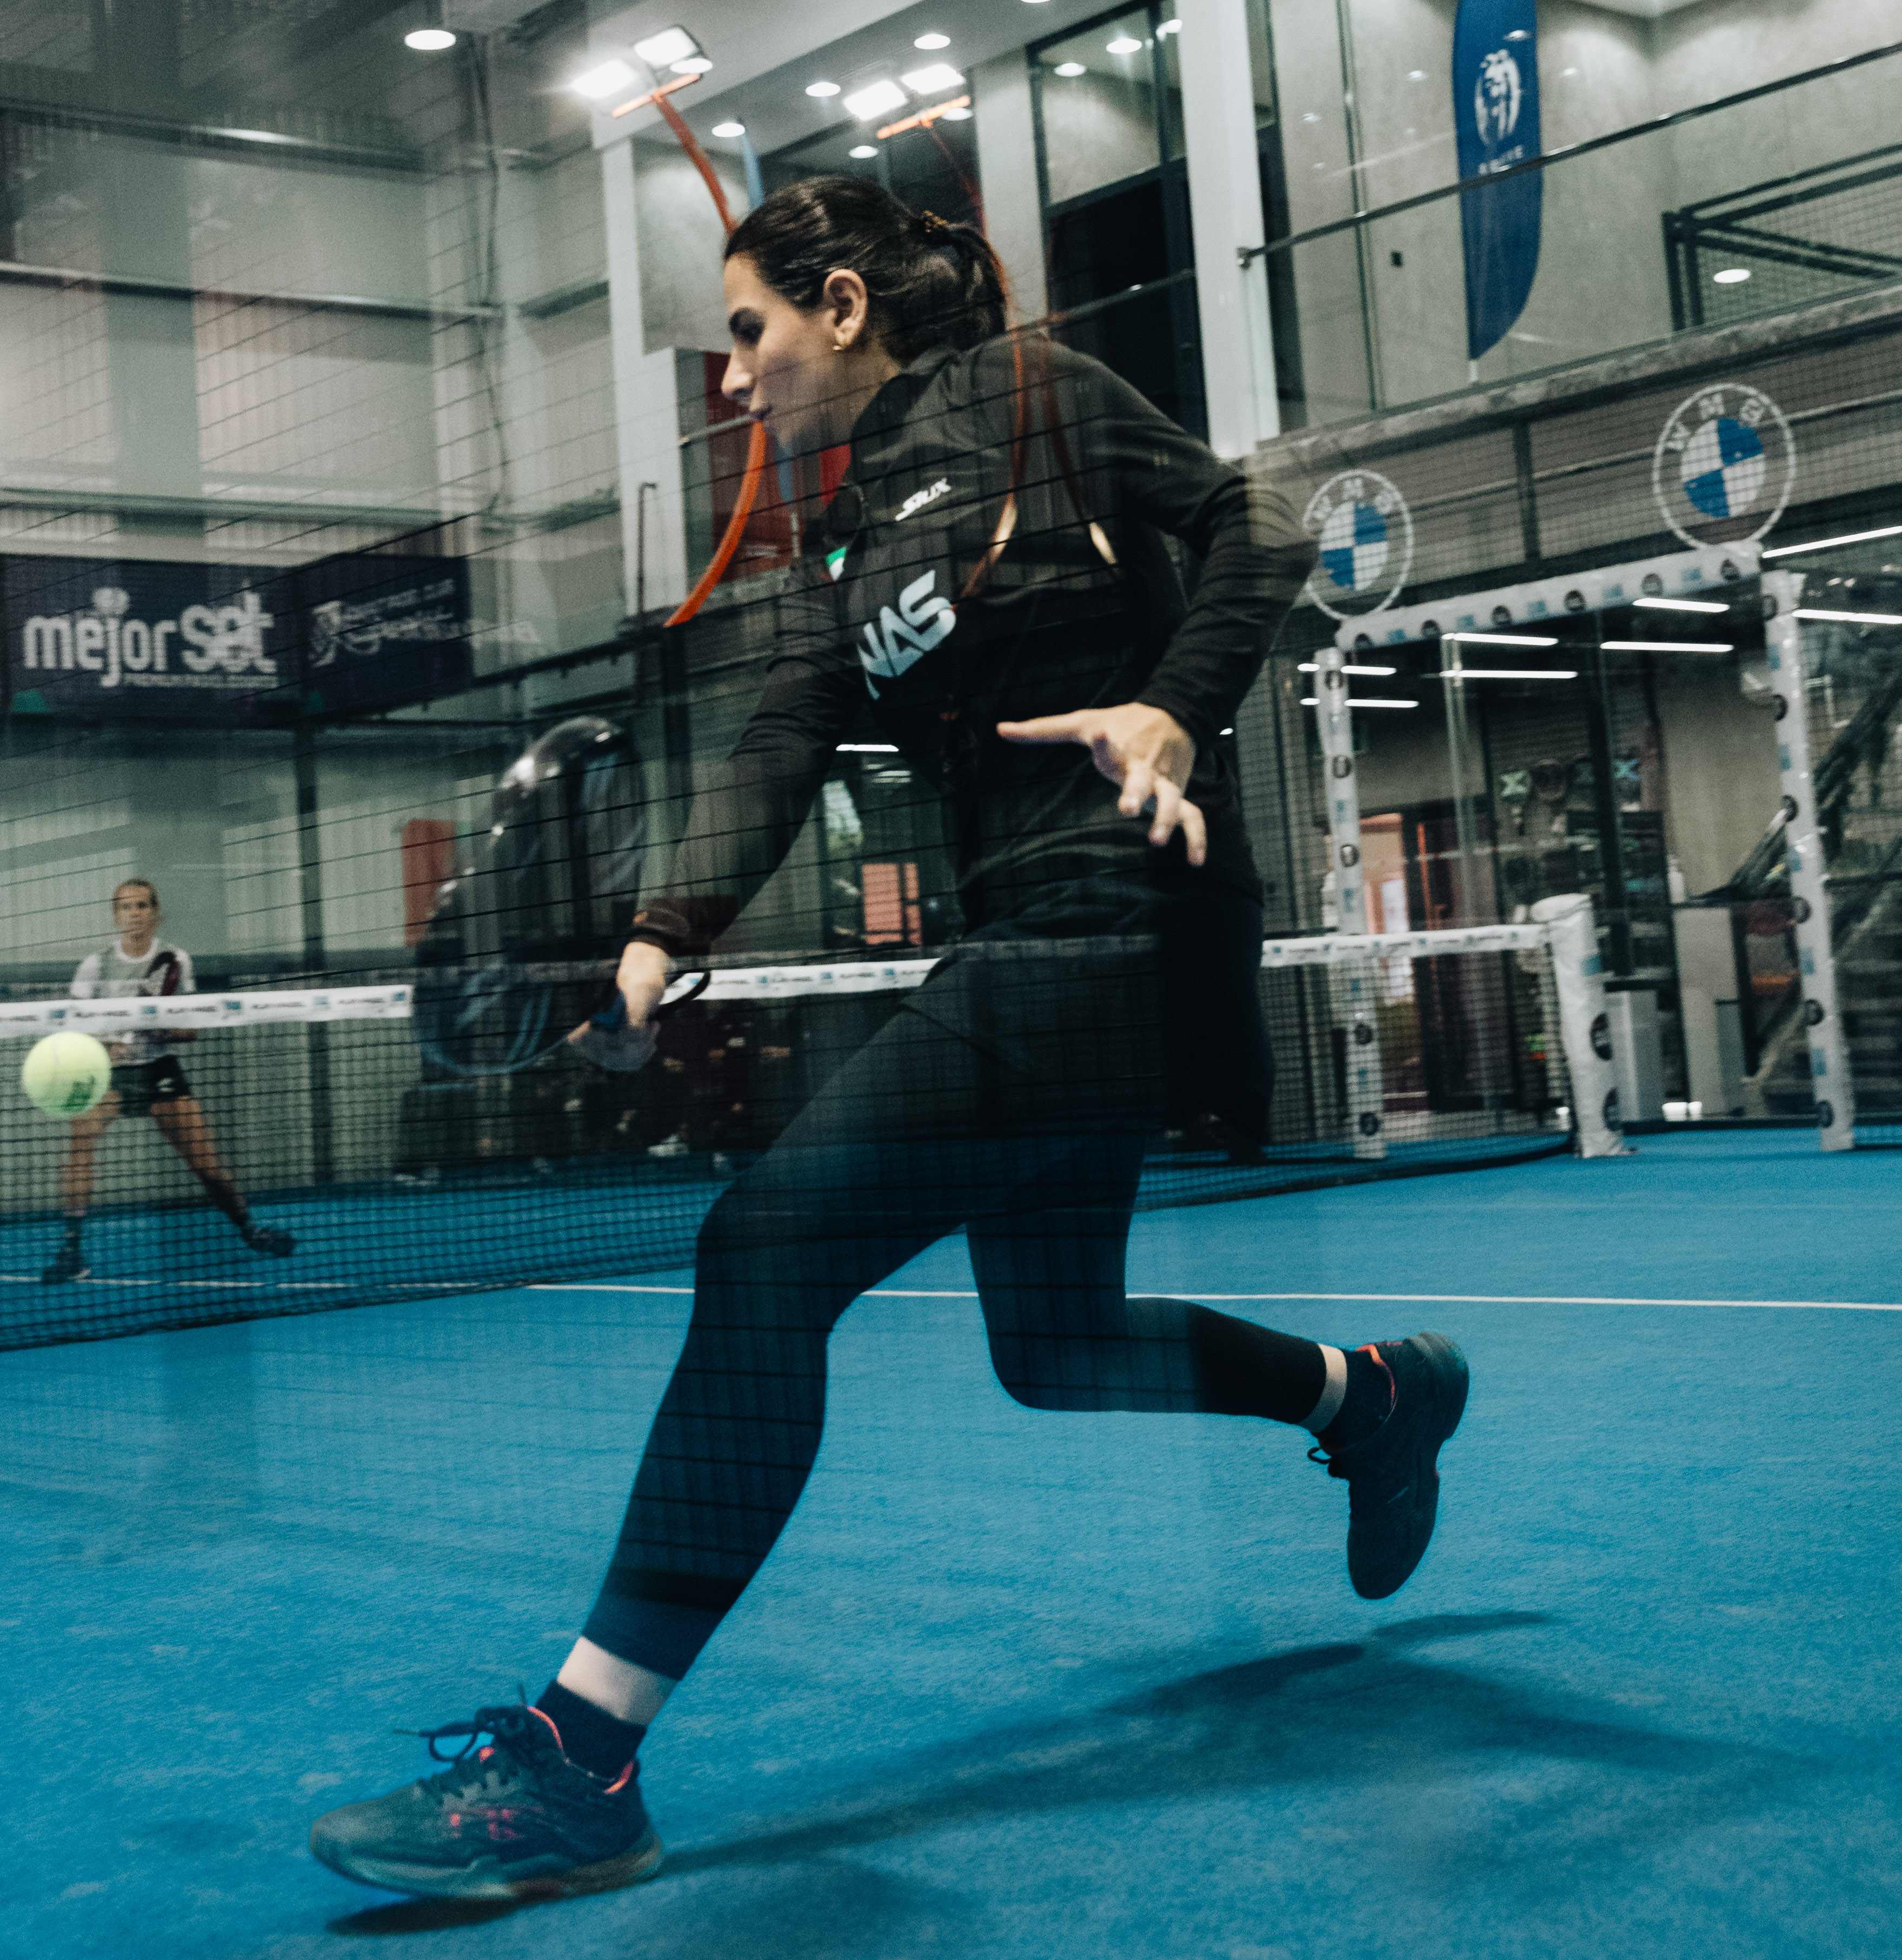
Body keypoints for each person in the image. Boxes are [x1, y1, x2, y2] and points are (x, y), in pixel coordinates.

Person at [310, 178, 1467, 1903]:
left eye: (748, 332)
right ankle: (1370, 1395)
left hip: (1116, 921)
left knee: (762, 1249)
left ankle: (579, 1758)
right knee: (1053, 1344)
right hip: (1031, 939)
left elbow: (1258, 527)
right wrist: (658, 935)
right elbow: (782, 736)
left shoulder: (1034, 394)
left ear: (841, 307)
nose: (731, 379)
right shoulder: (846, 531)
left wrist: (1172, 704)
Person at [40, 879, 295, 1284]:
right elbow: (74, 1025)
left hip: (159, 1071)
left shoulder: (175, 959)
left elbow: (190, 1030)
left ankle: (250, 1229)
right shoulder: (95, 966)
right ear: (116, 916)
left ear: (156, 913)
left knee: (207, 1166)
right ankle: (71, 1250)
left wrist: (160, 1031)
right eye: (126, 907)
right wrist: (103, 1045)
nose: (134, 914)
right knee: (80, 1142)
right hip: (110, 1075)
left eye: (142, 906)